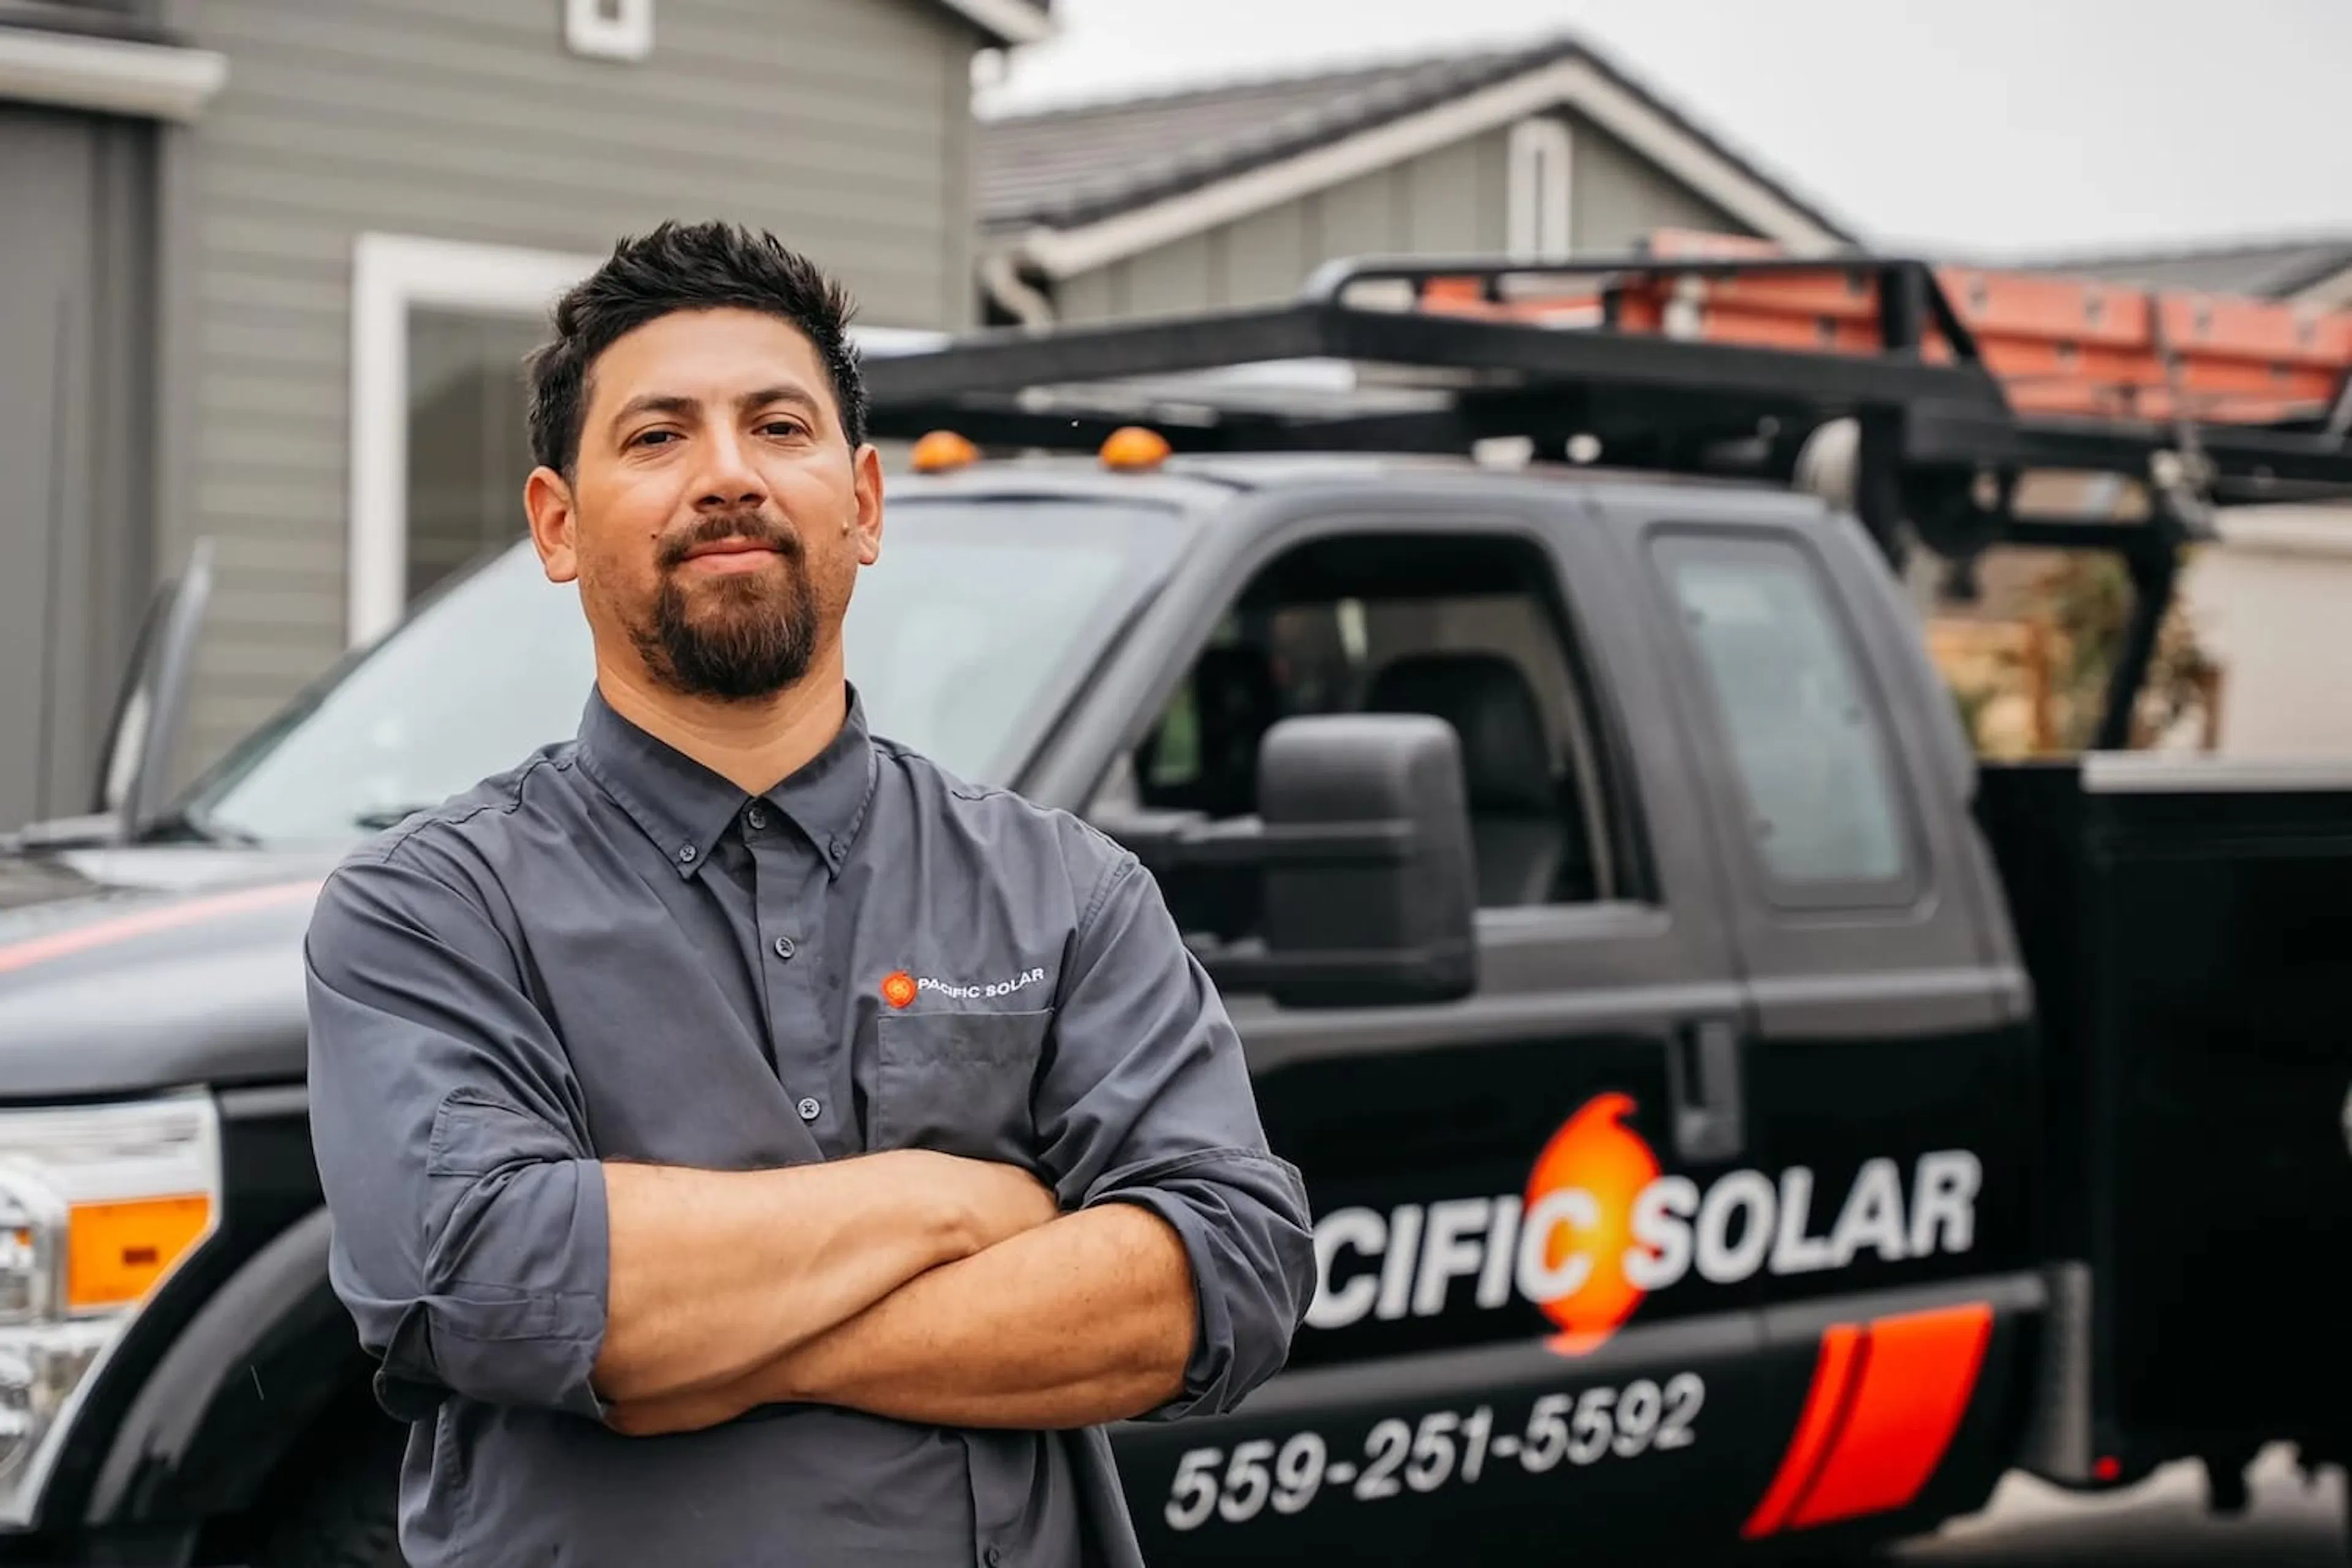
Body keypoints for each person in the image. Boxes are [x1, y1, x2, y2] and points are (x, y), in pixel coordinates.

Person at [302, 220, 1316, 1568]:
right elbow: (489, 1278)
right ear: (556, 524)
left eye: (779, 426)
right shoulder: (428, 909)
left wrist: (686, 1341)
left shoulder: (1063, 888)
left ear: (866, 501)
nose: (728, 474)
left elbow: (1225, 1272)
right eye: (658, 437)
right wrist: (962, 1204)